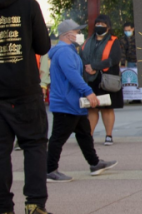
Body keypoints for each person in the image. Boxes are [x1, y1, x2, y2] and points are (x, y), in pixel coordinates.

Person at [0, 0, 53, 214]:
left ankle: (2, 210)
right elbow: (43, 46)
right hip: (24, 87)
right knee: (33, 145)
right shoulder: (29, 5)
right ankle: (35, 204)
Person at [46, 20, 117, 183]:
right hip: (66, 102)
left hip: (71, 102)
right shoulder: (65, 52)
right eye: (77, 32)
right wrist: (88, 92)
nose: (79, 35)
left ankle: (94, 163)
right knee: (58, 137)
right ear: (67, 34)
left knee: (84, 134)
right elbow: (73, 76)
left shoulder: (67, 50)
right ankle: (50, 170)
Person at [81, 14, 122, 145]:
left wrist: (95, 66)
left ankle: (108, 135)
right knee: (92, 108)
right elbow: (81, 55)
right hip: (90, 79)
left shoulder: (113, 40)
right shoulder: (88, 41)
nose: (99, 26)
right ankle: (89, 136)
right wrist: (88, 67)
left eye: (102, 24)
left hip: (107, 79)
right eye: (97, 24)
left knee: (107, 108)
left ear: (108, 27)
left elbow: (114, 59)